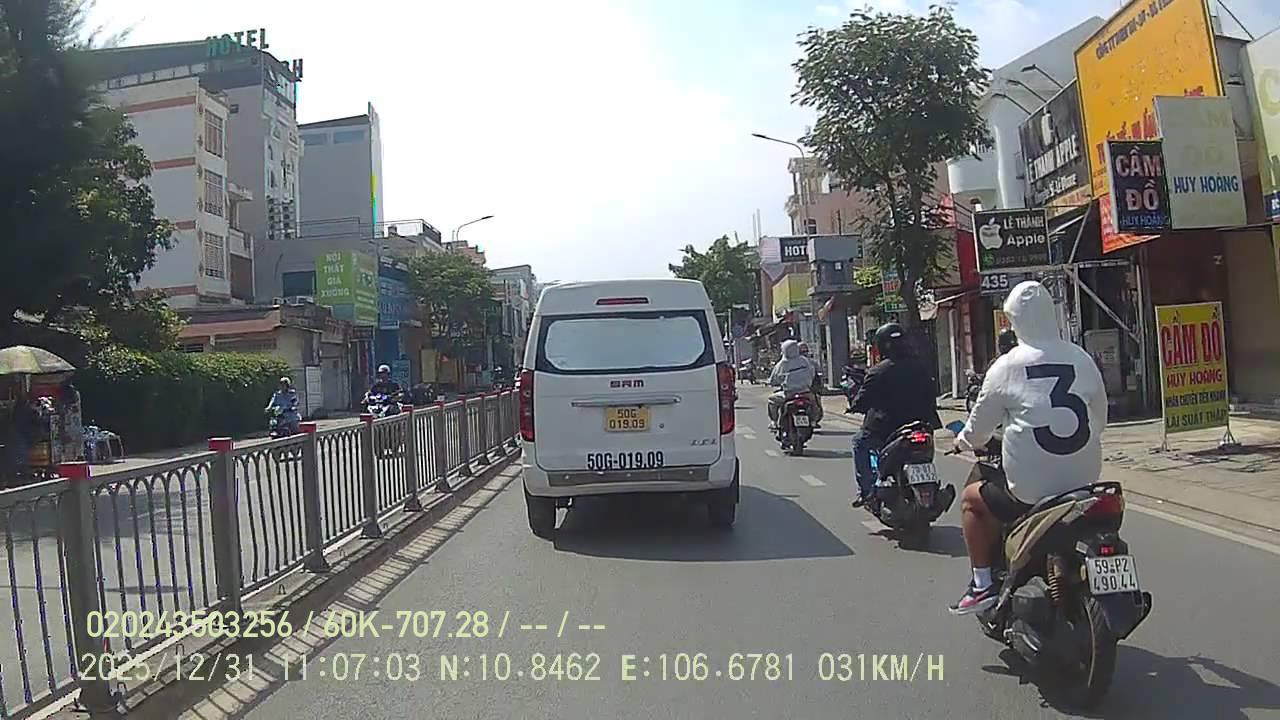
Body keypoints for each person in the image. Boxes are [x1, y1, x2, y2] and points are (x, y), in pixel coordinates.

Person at [948, 280, 1107, 615]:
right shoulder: (1081, 357)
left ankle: (982, 584)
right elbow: (1100, 419)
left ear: (1014, 320)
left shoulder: (1006, 366)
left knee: (972, 500)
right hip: (1085, 482)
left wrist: (962, 441)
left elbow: (978, 431)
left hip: (1029, 491)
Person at [849, 323, 942, 509]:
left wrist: (854, 406)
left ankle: (867, 492)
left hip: (886, 429)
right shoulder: (921, 367)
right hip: (922, 426)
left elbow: (861, 401)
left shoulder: (878, 371)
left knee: (859, 442)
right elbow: (933, 395)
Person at [767, 339, 816, 428]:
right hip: (805, 392)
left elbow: (774, 379)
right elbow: (812, 373)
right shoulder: (804, 361)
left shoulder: (782, 364)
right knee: (814, 403)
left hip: (788, 394)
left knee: (771, 400)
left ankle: (774, 422)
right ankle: (813, 421)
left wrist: (772, 382)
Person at [797, 342, 825, 426]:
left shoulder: (812, 363)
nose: (804, 354)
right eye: (802, 352)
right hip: (792, 390)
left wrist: (819, 385)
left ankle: (814, 420)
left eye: (805, 351)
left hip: (809, 389)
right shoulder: (790, 362)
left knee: (816, 402)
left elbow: (818, 374)